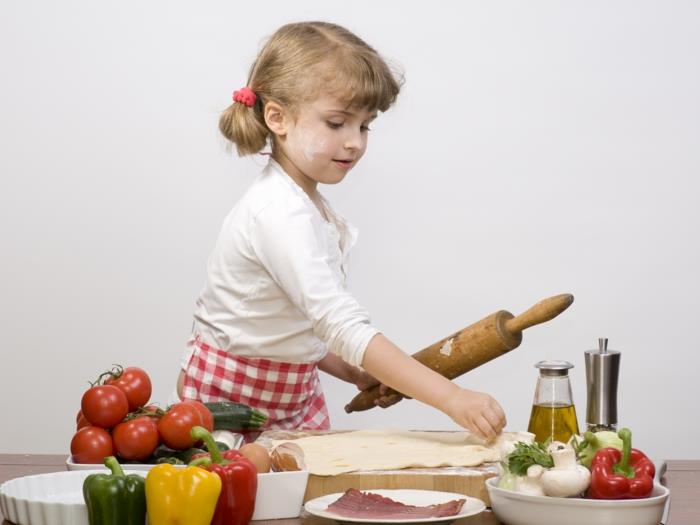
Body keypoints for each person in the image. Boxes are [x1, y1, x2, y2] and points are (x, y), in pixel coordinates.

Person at [176, 21, 506, 440]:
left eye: (364, 125)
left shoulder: (307, 204)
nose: (355, 142)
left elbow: (292, 323)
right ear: (277, 117)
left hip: (291, 397)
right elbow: (339, 323)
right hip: (230, 403)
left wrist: (349, 369)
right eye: (337, 123)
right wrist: (451, 398)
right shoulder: (278, 214)